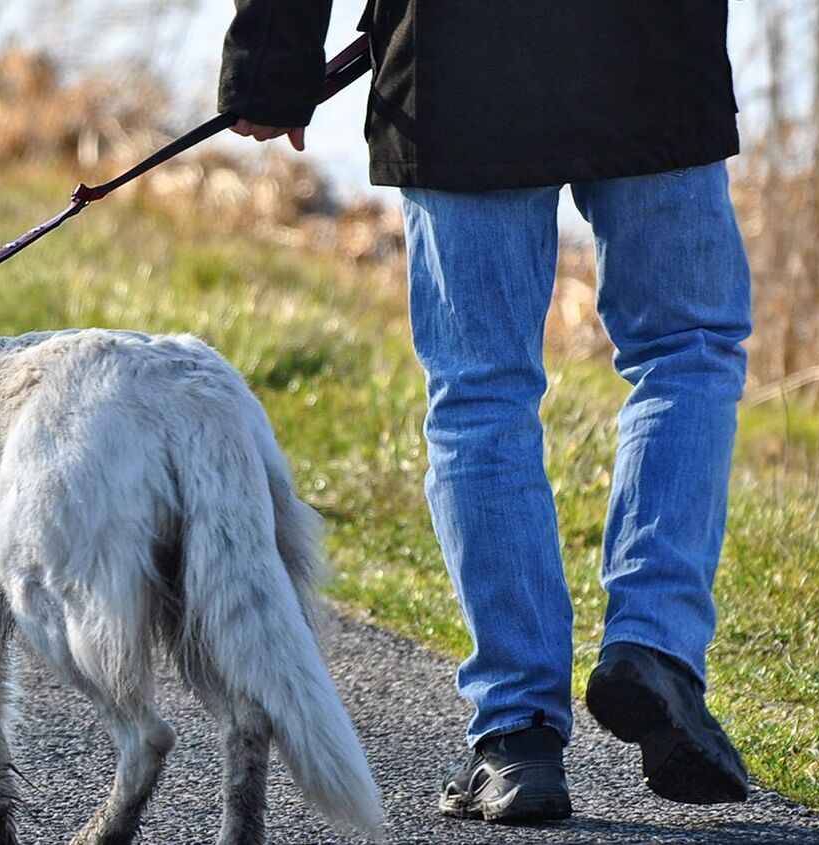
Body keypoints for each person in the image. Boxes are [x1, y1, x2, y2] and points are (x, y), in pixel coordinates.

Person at [219, 0, 753, 824]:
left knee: (480, 390)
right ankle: (654, 648)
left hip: (459, 59)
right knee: (686, 349)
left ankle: (517, 734)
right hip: (651, 46)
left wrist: (271, 61)